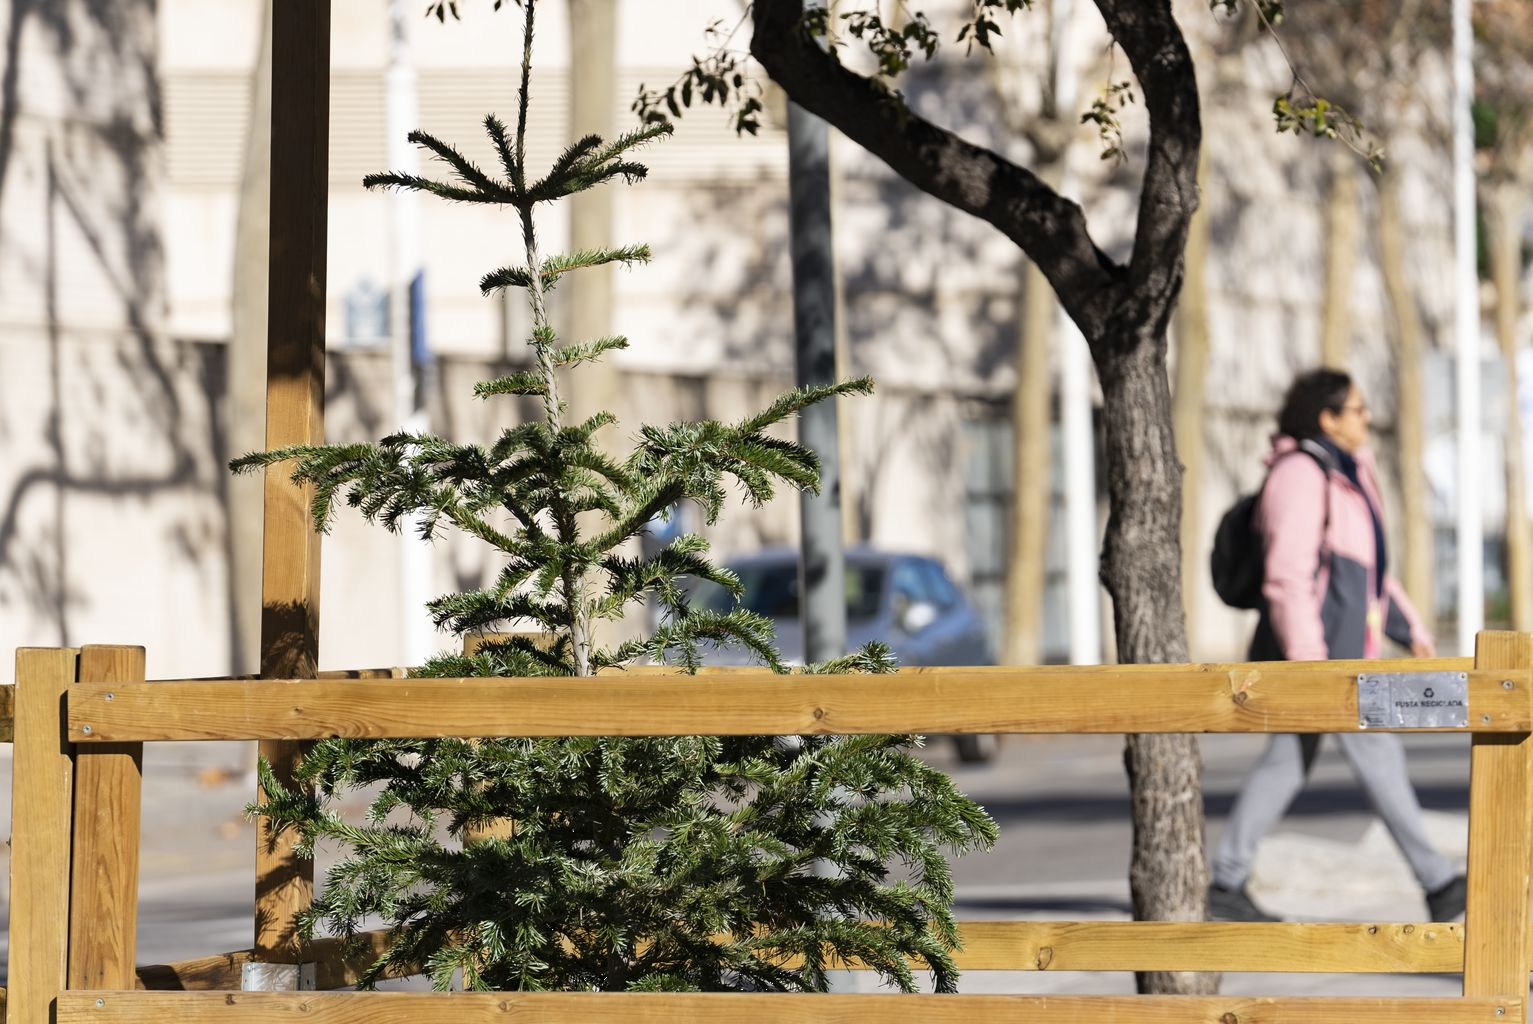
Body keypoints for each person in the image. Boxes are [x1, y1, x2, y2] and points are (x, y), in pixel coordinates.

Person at [1208, 368, 1466, 923]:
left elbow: (1371, 575)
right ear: (1326, 417)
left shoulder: (1347, 473)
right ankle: (1439, 883)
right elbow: (1287, 577)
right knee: (1377, 756)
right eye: (1357, 408)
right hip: (1320, 660)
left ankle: (1226, 882)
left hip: (1347, 655)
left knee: (1286, 763)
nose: (1367, 417)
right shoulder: (1300, 474)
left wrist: (1412, 631)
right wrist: (1310, 668)